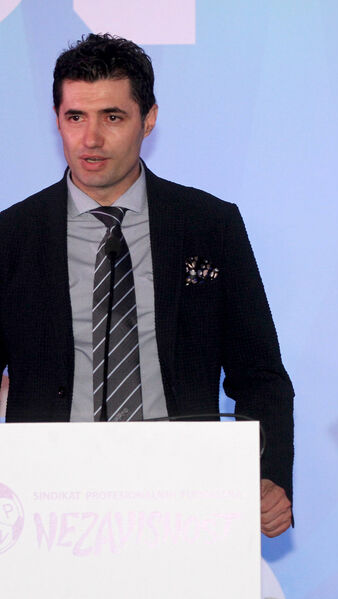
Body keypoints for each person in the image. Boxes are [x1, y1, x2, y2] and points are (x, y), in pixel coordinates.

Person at [0, 33, 293, 537]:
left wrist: (267, 476)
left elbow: (259, 373)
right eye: (75, 117)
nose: (91, 139)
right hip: (48, 507)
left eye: (112, 117)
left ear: (148, 118)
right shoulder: (12, 236)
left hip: (185, 497)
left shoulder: (209, 225)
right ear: (57, 119)